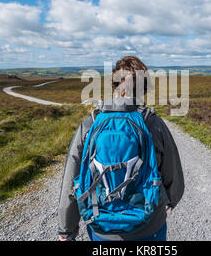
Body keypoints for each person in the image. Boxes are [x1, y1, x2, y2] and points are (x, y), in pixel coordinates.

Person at [57, 56, 184, 241]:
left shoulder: (91, 124)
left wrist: (67, 230)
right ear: (144, 88)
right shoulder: (152, 123)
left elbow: (72, 178)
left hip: (101, 224)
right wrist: (171, 199)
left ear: (115, 85)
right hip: (149, 224)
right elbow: (172, 172)